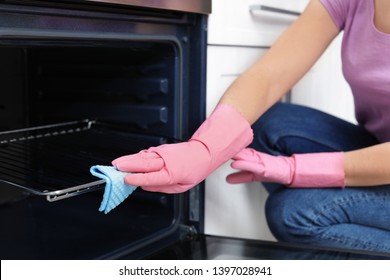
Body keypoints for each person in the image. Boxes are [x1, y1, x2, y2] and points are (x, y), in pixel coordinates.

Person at [112, 0, 390, 254]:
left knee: (295, 212)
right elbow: (270, 75)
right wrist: (205, 148)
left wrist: (295, 170)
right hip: (378, 145)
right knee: (271, 125)